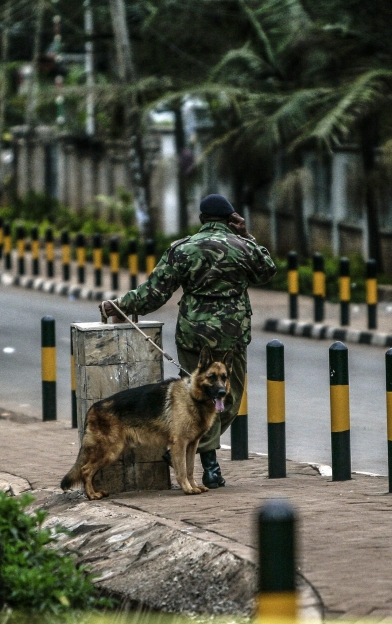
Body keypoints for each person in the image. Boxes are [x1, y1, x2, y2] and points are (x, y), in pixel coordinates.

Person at [101, 194, 276, 487]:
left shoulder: (182, 249)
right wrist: (247, 235)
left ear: (202, 219)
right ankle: (210, 467)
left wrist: (119, 305)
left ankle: (191, 454)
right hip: (233, 335)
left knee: (201, 402)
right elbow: (267, 271)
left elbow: (155, 292)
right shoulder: (244, 246)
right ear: (231, 219)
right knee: (228, 400)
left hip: (194, 335)